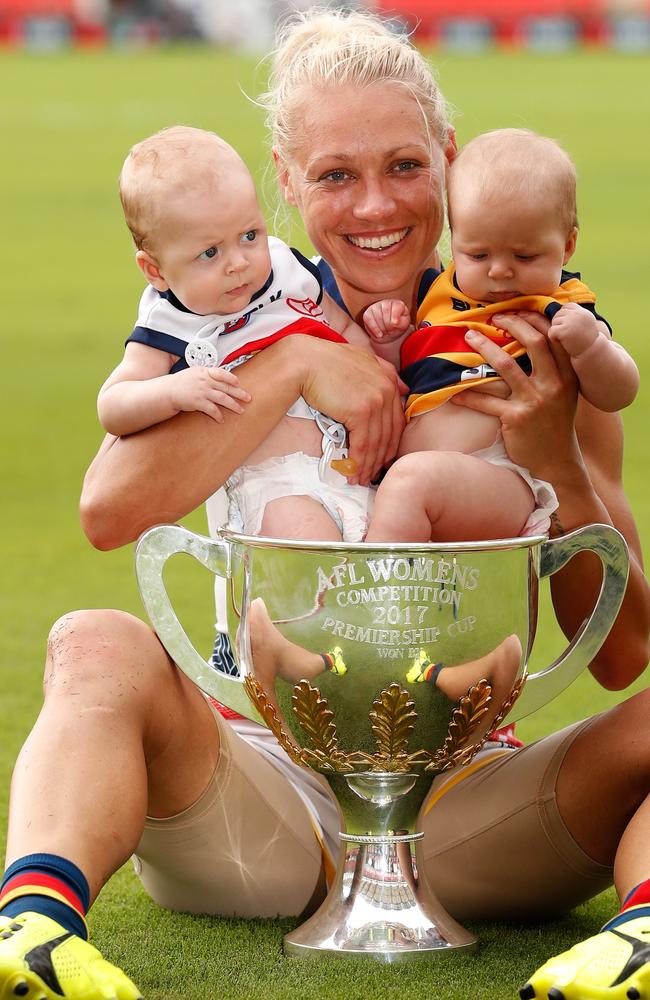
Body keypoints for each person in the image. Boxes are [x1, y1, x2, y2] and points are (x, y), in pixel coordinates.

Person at [0, 9, 648, 1000]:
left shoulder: (530, 331)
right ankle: (31, 933)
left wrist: (552, 454)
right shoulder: (239, 309)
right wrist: (296, 365)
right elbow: (107, 509)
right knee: (92, 641)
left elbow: (617, 650)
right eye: (335, 175)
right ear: (287, 181)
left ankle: (635, 946)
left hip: (475, 809)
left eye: (400, 166)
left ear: (446, 158)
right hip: (252, 797)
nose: (373, 204)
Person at [362, 128, 639, 546]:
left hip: (505, 478)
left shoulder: (560, 307)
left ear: (567, 247)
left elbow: (619, 391)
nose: (500, 272)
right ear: (454, 240)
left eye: (524, 256)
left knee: (409, 483)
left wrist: (592, 346)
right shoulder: (440, 295)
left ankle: (369, 602)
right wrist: (389, 336)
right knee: (399, 484)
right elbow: (408, 372)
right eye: (478, 255)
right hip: (432, 477)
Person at [100, 125, 374, 544]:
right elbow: (114, 404)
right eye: (210, 252)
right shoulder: (171, 320)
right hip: (275, 484)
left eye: (250, 235)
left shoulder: (286, 268)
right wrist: (174, 391)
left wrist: (375, 357)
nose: (238, 263)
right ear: (155, 271)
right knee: (317, 580)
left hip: (351, 469)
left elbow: (344, 330)